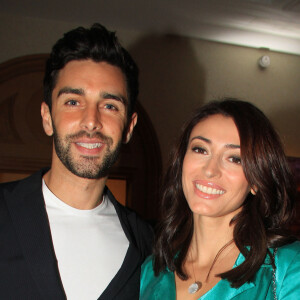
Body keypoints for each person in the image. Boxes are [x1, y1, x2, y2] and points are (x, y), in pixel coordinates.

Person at [0, 23, 153, 299]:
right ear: (47, 117)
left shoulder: (147, 245)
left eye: (110, 106)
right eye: (73, 102)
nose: (91, 121)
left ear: (129, 127)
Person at [140, 99, 300, 299]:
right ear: (181, 160)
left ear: (256, 181)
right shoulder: (151, 271)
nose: (210, 170)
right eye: (200, 150)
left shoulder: (289, 267)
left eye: (234, 159)